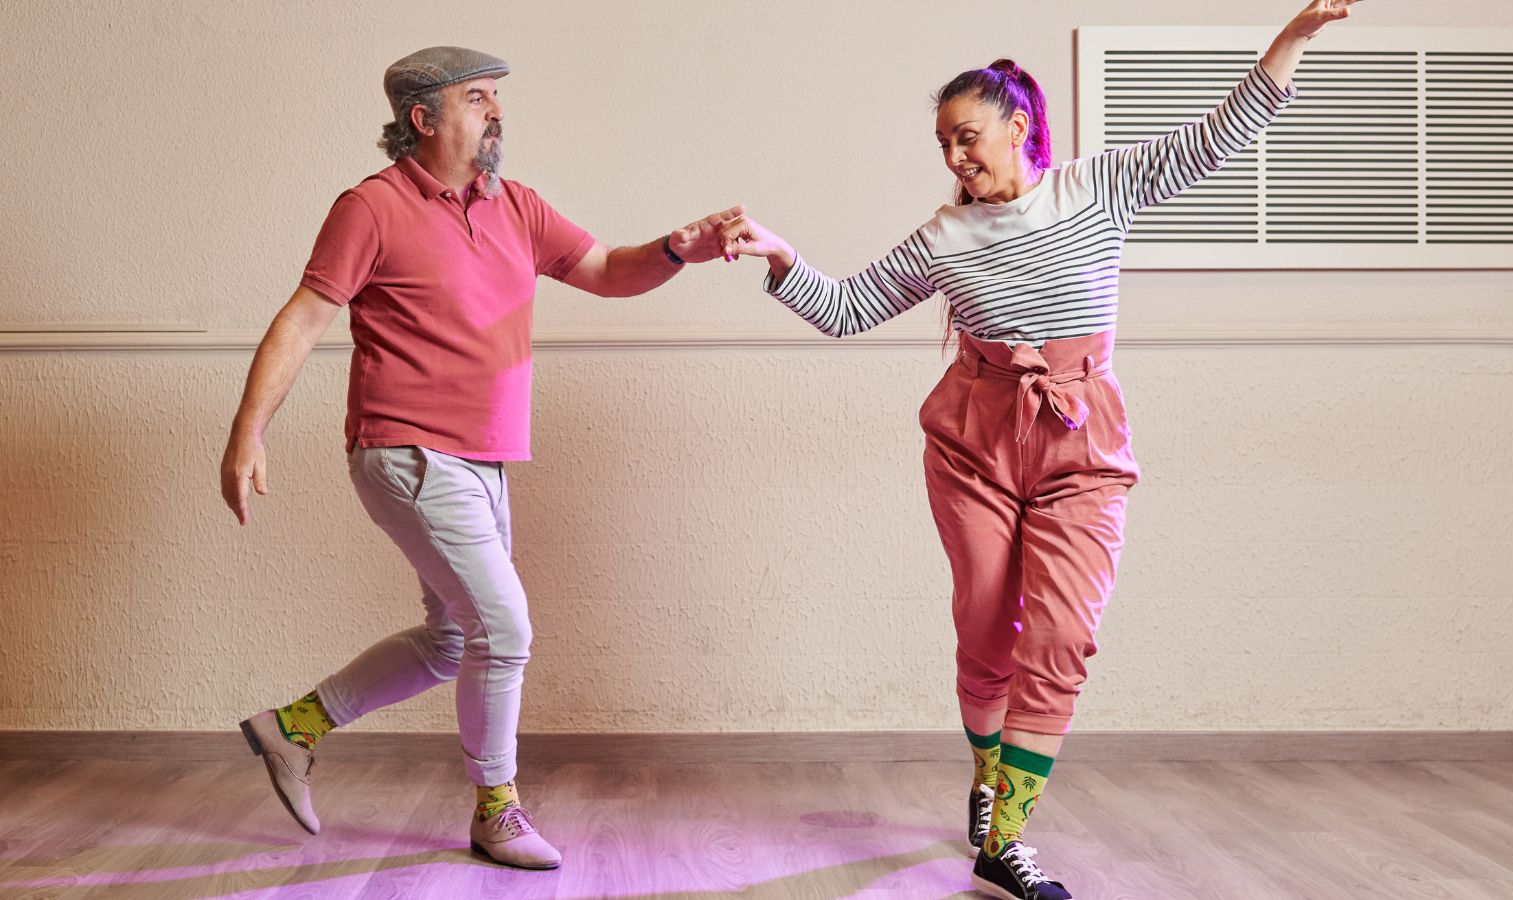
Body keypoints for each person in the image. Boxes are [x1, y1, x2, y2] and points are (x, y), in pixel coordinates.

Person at [715, 3, 1361, 897]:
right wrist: (783, 259)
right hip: (977, 441)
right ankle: (987, 783)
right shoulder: (946, 236)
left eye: (967, 137)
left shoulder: (1099, 188)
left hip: (1081, 439)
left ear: (1019, 127)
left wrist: (1290, 40)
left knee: (1060, 639)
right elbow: (848, 309)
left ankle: (1004, 839)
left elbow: (1221, 136)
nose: (953, 158)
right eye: (942, 143)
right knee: (986, 631)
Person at [220, 46, 740, 870]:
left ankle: (293, 730)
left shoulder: (515, 206)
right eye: (477, 98)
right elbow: (304, 318)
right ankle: (496, 809)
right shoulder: (372, 206)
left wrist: (680, 248)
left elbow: (605, 271)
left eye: (497, 97)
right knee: (503, 627)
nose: (496, 112)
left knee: (454, 641)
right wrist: (249, 432)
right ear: (422, 119)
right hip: (406, 450)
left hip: (485, 460)